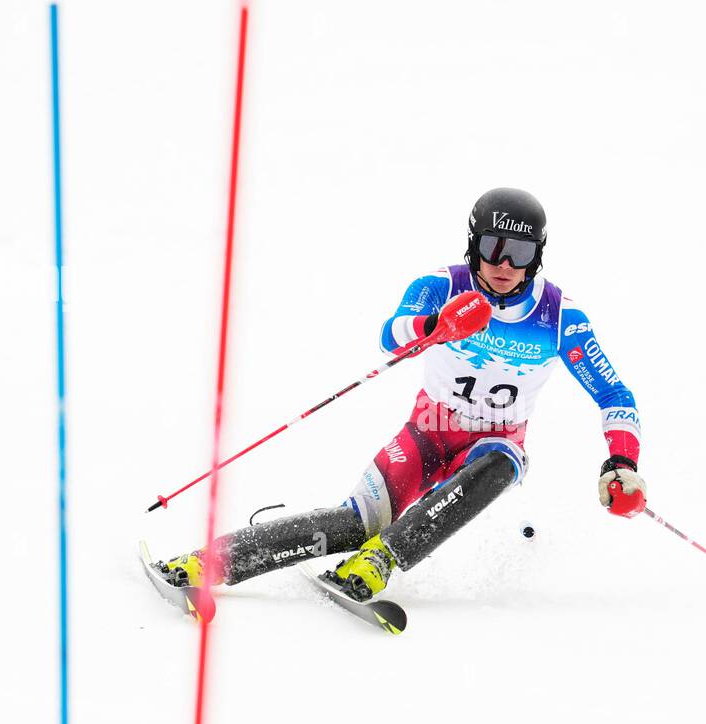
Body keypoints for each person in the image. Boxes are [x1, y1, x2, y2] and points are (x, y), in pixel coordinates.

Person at [151, 187, 646, 603]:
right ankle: (209, 562)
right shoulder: (441, 285)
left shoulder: (560, 318)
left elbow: (614, 393)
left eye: (518, 254)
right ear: (473, 244)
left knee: (504, 463)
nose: (502, 264)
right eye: (493, 247)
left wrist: (622, 462)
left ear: (536, 257)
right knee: (354, 523)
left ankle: (379, 562)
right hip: (426, 434)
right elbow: (392, 336)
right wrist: (436, 325)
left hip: (494, 442)